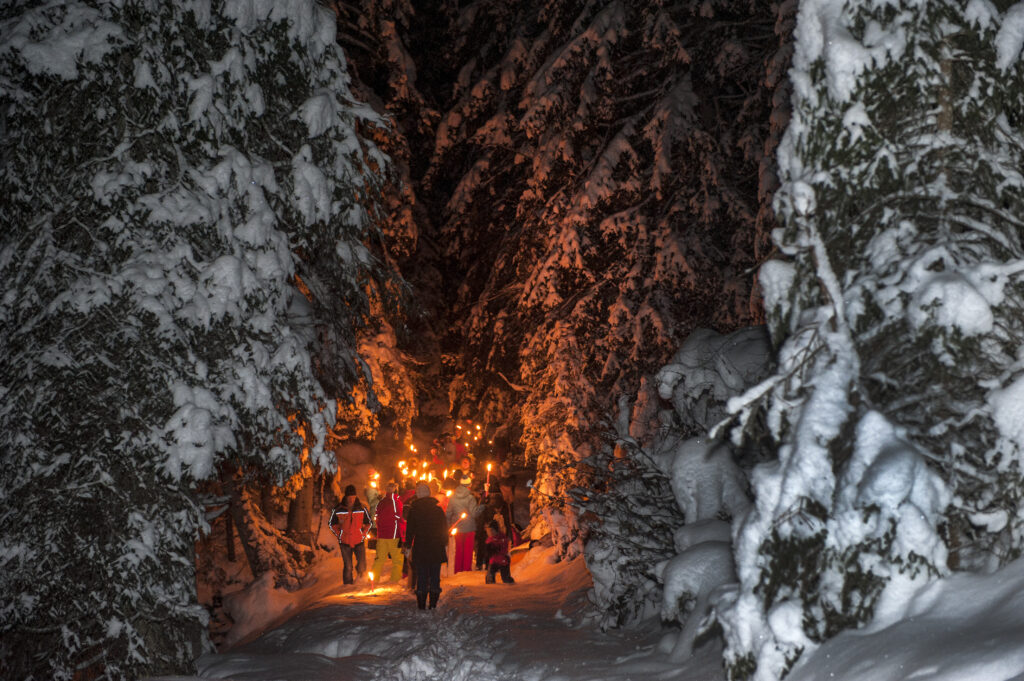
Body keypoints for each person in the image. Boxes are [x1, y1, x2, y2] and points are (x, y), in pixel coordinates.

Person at [405, 482, 448, 609]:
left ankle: (421, 603)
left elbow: (410, 530)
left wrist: (408, 545)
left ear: (418, 495)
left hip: (421, 547)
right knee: (435, 575)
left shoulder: (414, 510)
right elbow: (444, 528)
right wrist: (444, 542)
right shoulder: (438, 510)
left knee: (422, 575)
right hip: (436, 547)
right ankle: (433, 602)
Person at [329, 484, 371, 585]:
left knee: (362, 565)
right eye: (349, 497)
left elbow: (369, 523)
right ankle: (347, 586)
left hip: (359, 541)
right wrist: (340, 534)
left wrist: (363, 534)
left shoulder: (362, 508)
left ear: (356, 496)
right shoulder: (338, 509)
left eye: (353, 497)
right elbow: (332, 524)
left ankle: (361, 582)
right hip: (345, 542)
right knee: (348, 567)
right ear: (346, 496)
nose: (351, 499)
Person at [371, 482, 404, 583]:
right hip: (393, 535)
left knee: (379, 559)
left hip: (381, 535)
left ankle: (373, 579)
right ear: (396, 490)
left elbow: (376, 517)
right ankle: (395, 580)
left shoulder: (381, 502)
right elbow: (400, 518)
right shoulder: (396, 502)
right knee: (397, 560)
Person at [446, 480, 479, 574]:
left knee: (459, 549)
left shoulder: (453, 498)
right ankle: (466, 570)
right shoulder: (471, 498)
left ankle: (458, 570)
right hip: (469, 527)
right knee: (467, 550)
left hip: (458, 526)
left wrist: (449, 525)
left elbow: (449, 513)